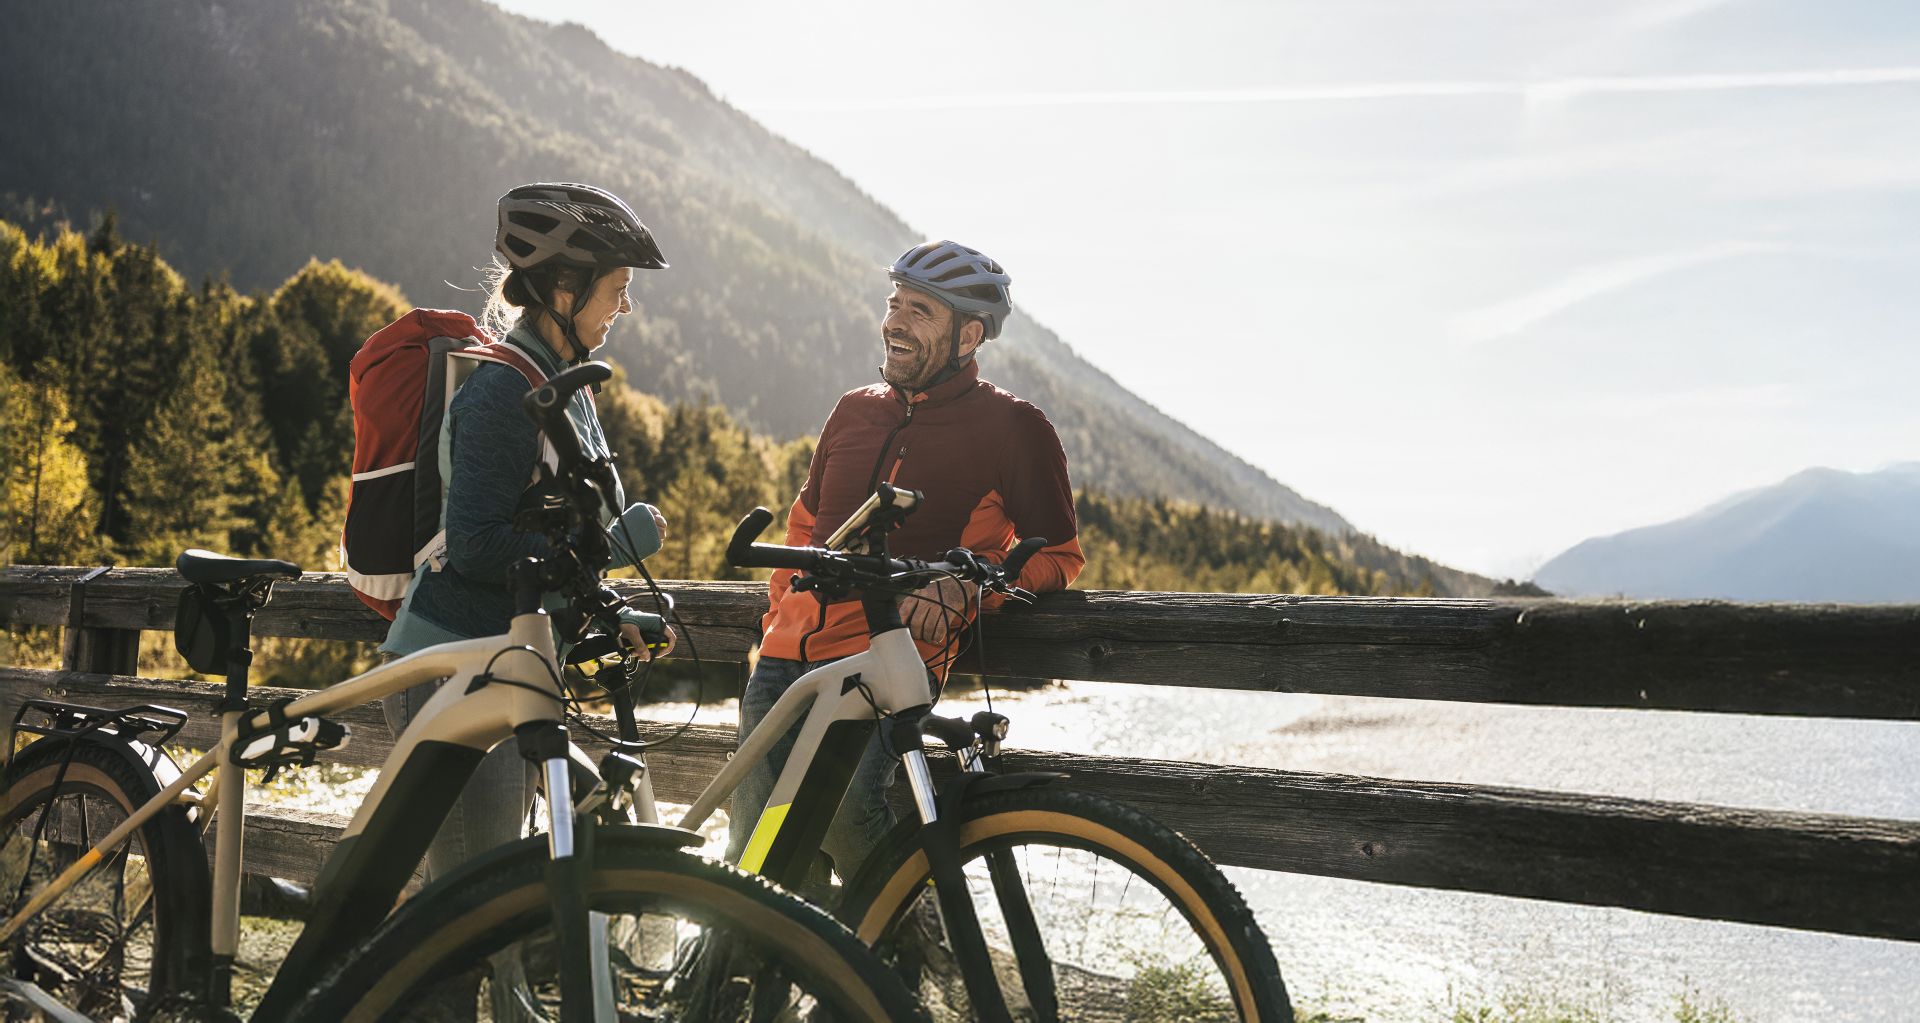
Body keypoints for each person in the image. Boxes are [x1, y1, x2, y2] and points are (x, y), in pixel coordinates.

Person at [725, 240, 1085, 887]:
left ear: (968, 334)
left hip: (885, 663)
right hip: (782, 662)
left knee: (843, 816)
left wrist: (967, 587)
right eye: (894, 304)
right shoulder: (854, 409)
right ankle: (765, 974)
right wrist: (776, 618)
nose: (894, 321)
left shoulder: (1014, 426)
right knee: (756, 837)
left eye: (919, 310)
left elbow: (1058, 554)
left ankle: (906, 964)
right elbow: (806, 523)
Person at [380, 182, 675, 885]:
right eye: (619, 287)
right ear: (565, 290)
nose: (627, 306)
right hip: (451, 670)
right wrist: (615, 544)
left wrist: (609, 603)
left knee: (517, 889)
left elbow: (549, 542)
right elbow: (480, 543)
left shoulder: (565, 386)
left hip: (509, 668)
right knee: (466, 904)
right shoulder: (501, 394)